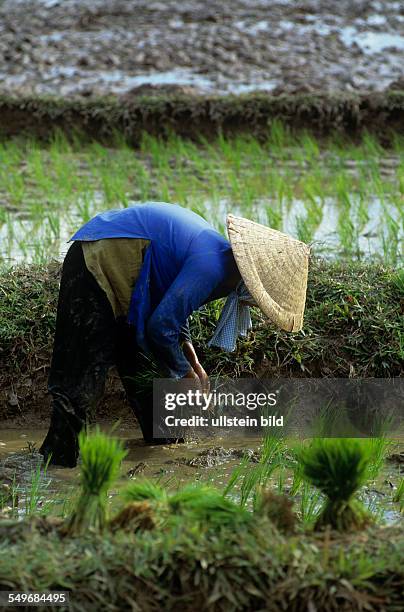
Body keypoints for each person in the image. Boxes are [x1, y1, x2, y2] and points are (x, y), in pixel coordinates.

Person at [39, 202, 310, 467]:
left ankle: (160, 460)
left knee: (156, 396)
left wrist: (191, 357)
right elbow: (160, 326)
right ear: (252, 283)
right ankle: (55, 468)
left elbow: (174, 308)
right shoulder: (212, 267)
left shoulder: (220, 263)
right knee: (82, 383)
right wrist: (184, 375)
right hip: (98, 261)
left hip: (136, 290)